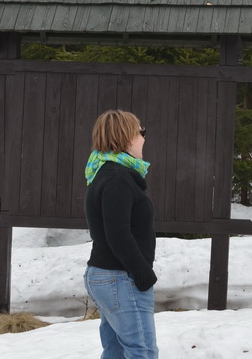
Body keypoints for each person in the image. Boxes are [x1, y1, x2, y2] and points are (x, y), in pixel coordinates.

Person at [84, 110, 158, 359]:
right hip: (120, 278)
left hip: (110, 276)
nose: (144, 138)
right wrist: (142, 271)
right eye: (141, 132)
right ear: (127, 138)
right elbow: (117, 233)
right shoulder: (117, 178)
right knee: (142, 352)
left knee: (116, 351)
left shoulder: (104, 173)